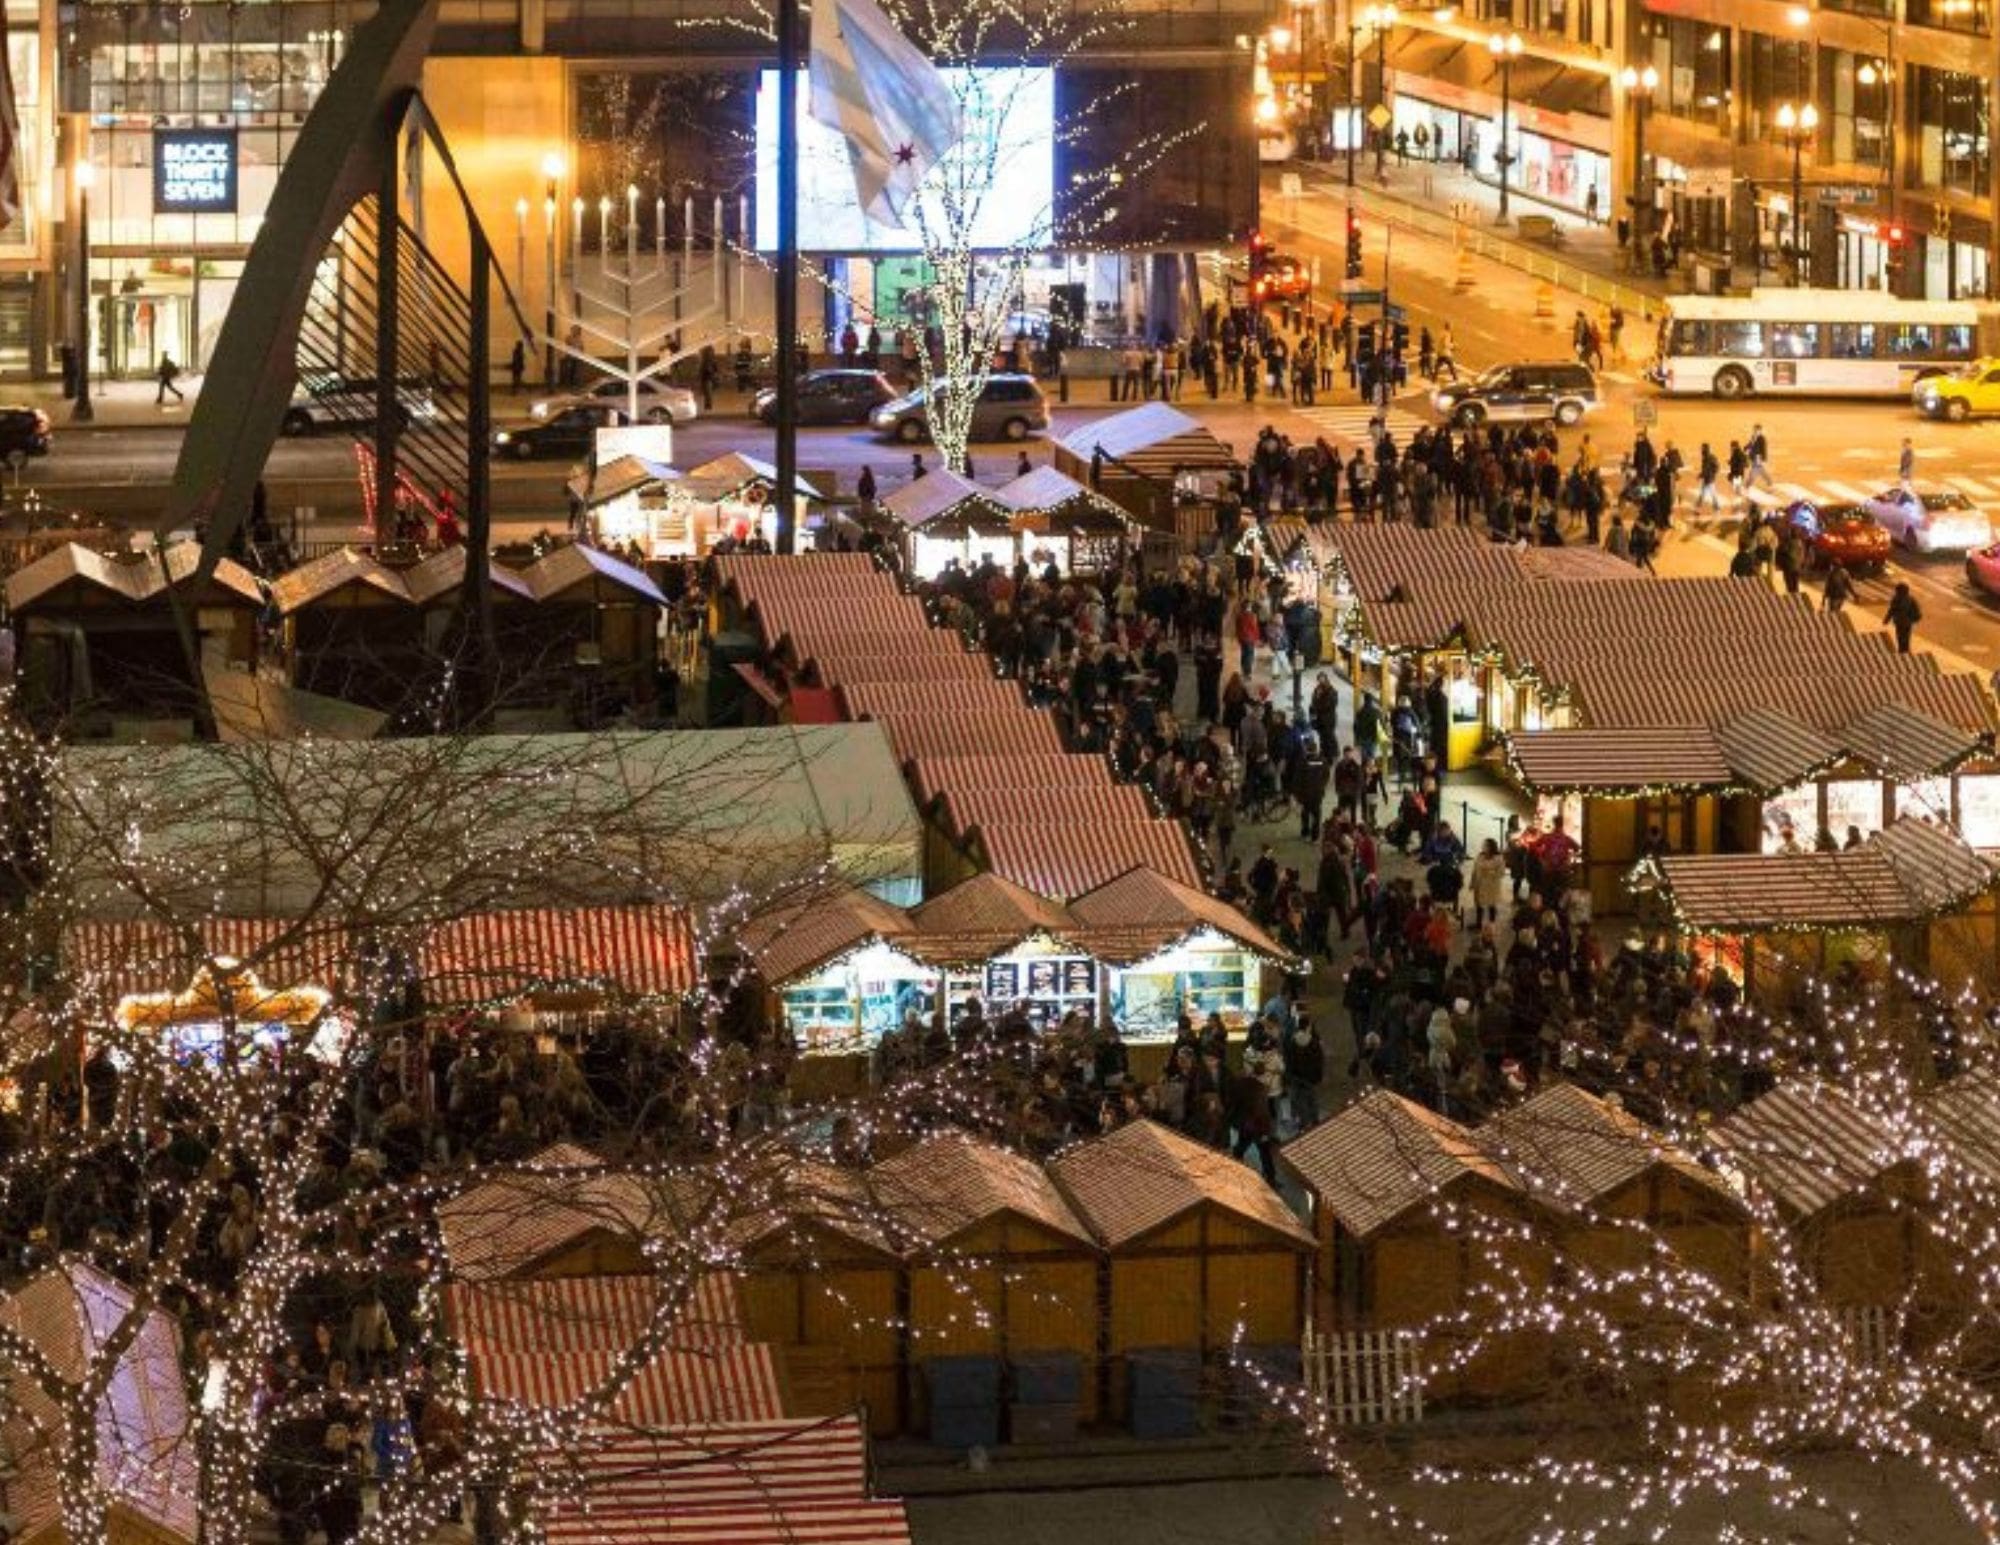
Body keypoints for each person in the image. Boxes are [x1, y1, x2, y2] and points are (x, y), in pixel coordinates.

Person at [1884, 581, 1922, 653]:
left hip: (1900, 622)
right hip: (1907, 622)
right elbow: (1917, 610)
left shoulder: (1896, 599)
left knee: (1900, 637)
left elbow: (1891, 610)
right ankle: (1905, 649)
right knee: (1906, 636)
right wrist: (1915, 619)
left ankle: (1902, 650)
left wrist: (1887, 619)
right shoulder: (1911, 599)